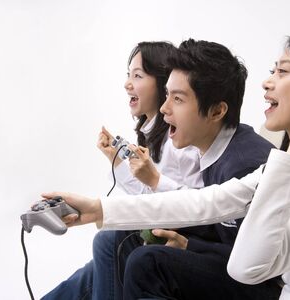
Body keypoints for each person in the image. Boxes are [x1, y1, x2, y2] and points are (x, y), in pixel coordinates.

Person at [44, 28, 290, 299]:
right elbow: (209, 201)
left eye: (283, 72)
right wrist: (98, 210)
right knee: (114, 249)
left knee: (140, 260)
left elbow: (247, 266)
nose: (267, 81)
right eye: (272, 69)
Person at [112, 39, 278, 299]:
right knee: (120, 239)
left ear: (216, 111)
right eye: (167, 95)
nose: (165, 109)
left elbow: (257, 261)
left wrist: (190, 245)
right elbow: (216, 223)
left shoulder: (245, 165)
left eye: (177, 99)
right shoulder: (213, 149)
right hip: (229, 261)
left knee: (147, 262)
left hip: (258, 285)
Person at [42, 41, 203, 300]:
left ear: (162, 82)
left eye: (137, 76)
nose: (128, 83)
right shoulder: (153, 133)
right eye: (128, 75)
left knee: (106, 244)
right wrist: (116, 160)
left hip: (173, 237)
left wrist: (146, 177)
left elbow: (178, 202)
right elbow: (148, 192)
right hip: (156, 230)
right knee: (88, 276)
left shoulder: (179, 140)